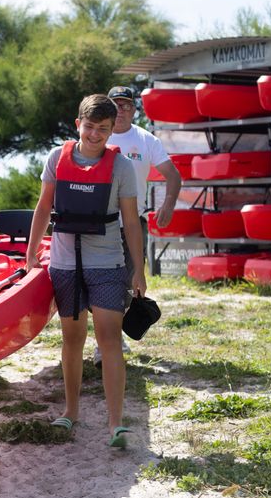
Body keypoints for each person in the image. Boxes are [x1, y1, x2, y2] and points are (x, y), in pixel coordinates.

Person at [26, 94, 145, 449]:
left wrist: (138, 270)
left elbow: (131, 222)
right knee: (72, 339)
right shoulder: (55, 158)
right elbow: (44, 206)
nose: (95, 135)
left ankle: (115, 424)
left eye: (103, 130)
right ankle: (71, 412)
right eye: (90, 127)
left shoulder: (121, 167)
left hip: (107, 263)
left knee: (110, 340)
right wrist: (31, 252)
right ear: (78, 124)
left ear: (112, 131)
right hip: (65, 264)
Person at [90, 85, 182, 367]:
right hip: (98, 222)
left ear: (134, 109)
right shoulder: (96, 136)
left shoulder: (145, 140)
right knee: (101, 282)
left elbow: (173, 176)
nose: (121, 110)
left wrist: (167, 206)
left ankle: (115, 336)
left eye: (127, 105)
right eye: (116, 104)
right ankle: (102, 344)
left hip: (132, 223)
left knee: (131, 281)